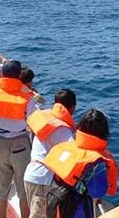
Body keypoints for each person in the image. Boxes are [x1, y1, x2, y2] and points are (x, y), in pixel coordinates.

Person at [0, 60, 35, 218]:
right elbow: (33, 121)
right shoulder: (27, 96)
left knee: (1, 188)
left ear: (2, 75)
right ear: (19, 75)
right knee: (24, 190)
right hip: (20, 142)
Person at [44, 109, 118, 218]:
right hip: (77, 211)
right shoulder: (97, 162)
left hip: (56, 203)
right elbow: (98, 192)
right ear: (103, 132)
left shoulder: (68, 148)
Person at [24, 89, 77, 218]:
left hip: (32, 174)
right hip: (43, 179)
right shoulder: (63, 130)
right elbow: (75, 154)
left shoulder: (45, 119)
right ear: (72, 107)